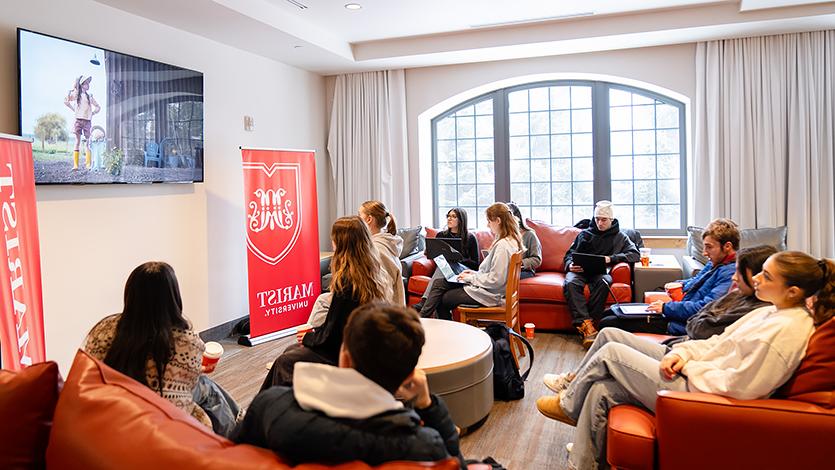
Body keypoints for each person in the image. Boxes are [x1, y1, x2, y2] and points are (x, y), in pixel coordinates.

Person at [535, 251, 835, 470]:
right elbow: (717, 343)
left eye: (766, 276)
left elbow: (742, 387)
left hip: (701, 396)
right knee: (603, 383)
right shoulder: (769, 311)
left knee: (612, 354)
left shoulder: (787, 331)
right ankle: (582, 464)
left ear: (793, 291)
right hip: (695, 374)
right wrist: (682, 353)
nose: (755, 278)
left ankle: (568, 404)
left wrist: (689, 366)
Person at [232, 303, 465, 468]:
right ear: (408, 376)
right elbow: (456, 465)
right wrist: (428, 405)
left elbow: (233, 455)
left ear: (344, 357)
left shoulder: (270, 406)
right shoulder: (425, 447)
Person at [82, 262, 241, 435]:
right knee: (206, 387)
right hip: (162, 419)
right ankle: (237, 436)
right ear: (173, 297)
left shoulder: (104, 328)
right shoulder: (185, 341)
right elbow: (181, 384)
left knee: (205, 386)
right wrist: (196, 370)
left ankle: (241, 428)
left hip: (111, 407)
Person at [261, 216, 389, 389]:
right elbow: (337, 325)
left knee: (285, 362)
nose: (332, 243)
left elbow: (333, 337)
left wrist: (309, 336)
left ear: (342, 243)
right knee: (290, 352)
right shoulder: (371, 273)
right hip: (362, 348)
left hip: (345, 353)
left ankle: (262, 412)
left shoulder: (347, 281)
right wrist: (314, 335)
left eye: (334, 239)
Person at [597, 218, 740, 336]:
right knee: (611, 311)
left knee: (608, 322)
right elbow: (696, 280)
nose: (704, 252)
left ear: (727, 246)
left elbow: (705, 308)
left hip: (680, 323)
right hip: (676, 313)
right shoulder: (716, 263)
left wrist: (665, 308)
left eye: (709, 247)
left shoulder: (730, 274)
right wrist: (680, 284)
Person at [419, 202, 523, 321]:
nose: (488, 225)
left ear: (498, 221)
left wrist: (470, 278)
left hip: (489, 294)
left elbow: (496, 280)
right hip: (487, 288)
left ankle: (425, 321)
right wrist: (473, 274)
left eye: (489, 221)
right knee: (439, 283)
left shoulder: (503, 246)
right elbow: (493, 274)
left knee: (443, 298)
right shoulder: (510, 241)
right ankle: (422, 318)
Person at [563, 201, 640, 347]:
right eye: (597, 219)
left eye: (603, 220)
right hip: (579, 271)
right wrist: (570, 265)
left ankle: (588, 324)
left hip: (600, 273)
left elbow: (635, 254)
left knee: (605, 281)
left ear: (611, 220)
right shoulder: (584, 234)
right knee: (570, 282)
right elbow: (568, 255)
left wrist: (611, 259)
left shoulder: (620, 236)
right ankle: (587, 326)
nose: (599, 223)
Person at [665, 244, 777, 344]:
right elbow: (696, 320)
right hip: (686, 347)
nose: (734, 278)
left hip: (689, 352)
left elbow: (699, 329)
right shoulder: (741, 296)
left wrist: (667, 308)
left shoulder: (754, 310)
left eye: (740, 273)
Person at [411, 207, 480, 312]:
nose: (449, 219)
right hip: (444, 268)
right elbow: (435, 256)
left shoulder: (470, 237)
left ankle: (424, 301)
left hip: (462, 269)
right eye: (448, 216)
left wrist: (459, 258)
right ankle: (428, 307)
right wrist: (430, 252)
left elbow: (476, 265)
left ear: (461, 220)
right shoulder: (441, 235)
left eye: (453, 216)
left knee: (445, 263)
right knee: (443, 263)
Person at [359, 200, 405, 305]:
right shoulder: (387, 243)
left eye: (359, 215)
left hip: (383, 311)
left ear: (369, 219)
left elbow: (383, 290)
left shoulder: (376, 249)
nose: (358, 219)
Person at [64, 75, 100, 170]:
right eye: (86, 83)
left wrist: (93, 113)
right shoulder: (77, 94)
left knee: (88, 142)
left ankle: (88, 165)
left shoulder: (89, 96)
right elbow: (66, 101)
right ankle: (75, 165)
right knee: (77, 141)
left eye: (88, 83)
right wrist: (73, 90)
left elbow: (98, 107)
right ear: (82, 85)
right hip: (78, 120)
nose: (88, 85)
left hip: (87, 121)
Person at [507, 202, 542, 279]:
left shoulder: (530, 235)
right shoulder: (502, 236)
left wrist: (520, 263)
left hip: (524, 271)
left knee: (505, 277)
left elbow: (537, 259)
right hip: (504, 270)